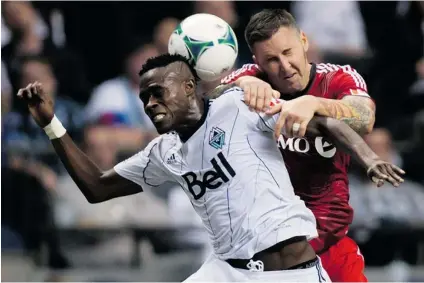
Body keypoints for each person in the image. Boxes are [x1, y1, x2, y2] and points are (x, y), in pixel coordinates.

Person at [17, 54, 403, 282]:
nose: (149, 104)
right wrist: (52, 125)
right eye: (144, 98)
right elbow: (97, 187)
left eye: (157, 93)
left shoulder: (239, 106)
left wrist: (368, 159)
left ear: (188, 88)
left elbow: (327, 123)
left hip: (289, 271)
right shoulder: (162, 152)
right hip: (226, 272)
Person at [219, 9, 380, 282]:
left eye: (288, 52)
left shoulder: (338, 78)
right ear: (257, 60)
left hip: (328, 239)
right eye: (271, 59)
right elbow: (203, 105)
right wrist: (240, 84)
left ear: (304, 41)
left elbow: (364, 117)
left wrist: (315, 103)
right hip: (267, 246)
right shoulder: (251, 78)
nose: (284, 66)